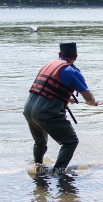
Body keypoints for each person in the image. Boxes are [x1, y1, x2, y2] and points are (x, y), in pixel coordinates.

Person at [24, 42, 98, 174]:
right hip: (44, 113)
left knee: (40, 141)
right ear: (76, 56)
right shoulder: (72, 71)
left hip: (28, 110)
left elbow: (46, 89)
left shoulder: (48, 66)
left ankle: (38, 166)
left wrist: (66, 99)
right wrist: (92, 102)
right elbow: (88, 97)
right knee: (70, 141)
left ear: (59, 55)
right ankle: (58, 172)